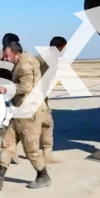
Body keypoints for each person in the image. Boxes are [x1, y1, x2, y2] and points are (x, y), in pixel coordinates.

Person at [0, 41, 51, 191]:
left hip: (30, 112)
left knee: (31, 149)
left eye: (7, 56)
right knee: (7, 143)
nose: (5, 59)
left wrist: (6, 89)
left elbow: (26, 87)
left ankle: (43, 176)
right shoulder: (22, 61)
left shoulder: (24, 65)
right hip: (20, 110)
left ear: (16, 54)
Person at [36, 36, 67, 164]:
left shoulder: (41, 56)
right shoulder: (51, 60)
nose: (65, 51)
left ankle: (13, 153)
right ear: (59, 47)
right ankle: (47, 154)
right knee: (47, 124)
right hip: (37, 97)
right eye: (64, 48)